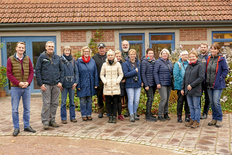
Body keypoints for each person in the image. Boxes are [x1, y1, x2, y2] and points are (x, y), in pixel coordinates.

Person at [7, 42, 36, 136]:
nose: (21, 49)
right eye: (19, 47)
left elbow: (31, 72)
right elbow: (9, 74)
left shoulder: (27, 59)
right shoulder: (10, 59)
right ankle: (16, 128)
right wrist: (18, 83)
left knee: (27, 108)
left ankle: (26, 126)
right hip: (16, 88)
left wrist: (28, 82)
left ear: (24, 49)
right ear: (16, 48)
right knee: (15, 109)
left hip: (26, 87)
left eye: (22, 48)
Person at [35, 41, 64, 130]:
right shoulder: (42, 57)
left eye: (52, 46)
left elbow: (62, 70)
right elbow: (37, 70)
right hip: (46, 85)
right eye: (49, 46)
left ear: (54, 48)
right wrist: (40, 84)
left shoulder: (57, 58)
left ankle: (52, 120)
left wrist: (60, 82)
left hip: (56, 85)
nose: (51, 48)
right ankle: (45, 122)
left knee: (54, 103)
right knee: (46, 104)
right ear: (46, 47)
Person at [206, 43, 228, 127]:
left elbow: (225, 70)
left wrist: (220, 78)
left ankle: (219, 119)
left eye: (215, 49)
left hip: (217, 85)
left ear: (218, 50)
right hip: (209, 84)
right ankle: (214, 119)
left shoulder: (221, 59)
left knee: (216, 102)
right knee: (212, 102)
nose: (213, 50)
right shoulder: (208, 58)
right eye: (212, 49)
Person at [181, 50, 204, 128]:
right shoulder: (188, 66)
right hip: (188, 90)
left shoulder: (200, 66)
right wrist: (182, 88)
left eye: (193, 56)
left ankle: (196, 121)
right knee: (190, 106)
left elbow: (201, 77)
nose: (192, 58)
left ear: (196, 57)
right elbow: (184, 78)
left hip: (196, 90)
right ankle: (192, 120)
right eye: (190, 57)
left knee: (196, 106)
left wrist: (192, 85)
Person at [100, 50, 123, 123]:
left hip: (115, 86)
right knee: (108, 103)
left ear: (114, 56)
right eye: (109, 55)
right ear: (107, 56)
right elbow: (101, 75)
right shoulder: (104, 65)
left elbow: (121, 74)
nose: (110, 57)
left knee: (115, 102)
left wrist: (117, 81)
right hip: (107, 87)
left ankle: (114, 116)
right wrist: (105, 82)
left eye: (111, 55)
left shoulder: (118, 64)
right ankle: (110, 116)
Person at [76, 46, 99, 121]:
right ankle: (83, 115)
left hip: (90, 84)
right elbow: (77, 74)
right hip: (82, 84)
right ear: (83, 52)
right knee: (82, 101)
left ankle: (89, 114)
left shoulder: (92, 61)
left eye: (88, 51)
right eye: (85, 51)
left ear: (90, 53)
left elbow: (95, 73)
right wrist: (78, 85)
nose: (86, 53)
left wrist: (96, 84)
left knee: (89, 100)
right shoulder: (79, 62)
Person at [60, 45, 79, 124]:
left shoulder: (73, 61)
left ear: (70, 51)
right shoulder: (60, 60)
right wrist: (60, 83)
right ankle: (63, 118)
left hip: (72, 84)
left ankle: (73, 117)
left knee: (72, 102)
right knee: (63, 102)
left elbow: (76, 72)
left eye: (68, 50)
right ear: (63, 51)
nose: (67, 52)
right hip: (63, 84)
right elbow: (58, 72)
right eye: (66, 50)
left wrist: (76, 82)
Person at [122, 49, 142, 122]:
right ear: (129, 55)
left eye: (134, 54)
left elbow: (140, 73)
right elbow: (126, 74)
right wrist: (134, 71)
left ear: (135, 55)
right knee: (131, 100)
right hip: (129, 84)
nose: (132, 55)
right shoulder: (126, 63)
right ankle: (131, 115)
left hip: (137, 84)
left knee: (136, 100)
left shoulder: (138, 63)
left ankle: (135, 113)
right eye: (131, 54)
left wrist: (141, 81)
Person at [154, 49, 173, 121]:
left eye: (166, 53)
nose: (165, 55)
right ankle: (159, 115)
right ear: (161, 55)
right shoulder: (158, 62)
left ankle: (166, 114)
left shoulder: (170, 62)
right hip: (161, 83)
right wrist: (157, 83)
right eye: (163, 53)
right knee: (164, 98)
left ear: (168, 55)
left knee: (167, 99)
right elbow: (155, 73)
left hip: (169, 83)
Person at [173, 50, 190, 123]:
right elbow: (176, 76)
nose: (185, 56)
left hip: (188, 87)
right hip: (180, 86)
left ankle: (187, 116)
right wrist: (183, 84)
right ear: (181, 56)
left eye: (186, 55)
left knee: (188, 102)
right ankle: (179, 116)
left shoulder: (190, 63)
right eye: (184, 55)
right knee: (180, 102)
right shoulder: (177, 64)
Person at [141, 48, 157, 122]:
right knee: (150, 99)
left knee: (151, 99)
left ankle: (149, 114)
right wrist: (146, 84)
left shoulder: (154, 61)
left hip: (153, 84)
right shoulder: (144, 62)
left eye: (152, 53)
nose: (151, 54)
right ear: (147, 54)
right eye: (149, 53)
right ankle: (147, 116)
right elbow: (143, 74)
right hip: (148, 84)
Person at [92, 43, 107, 118]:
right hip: (98, 80)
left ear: (105, 48)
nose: (101, 49)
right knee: (99, 96)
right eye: (100, 48)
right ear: (98, 49)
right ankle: (100, 111)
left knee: (108, 95)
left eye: (102, 48)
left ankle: (108, 110)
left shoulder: (109, 56)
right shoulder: (94, 57)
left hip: (107, 80)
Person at [198, 43, 210, 119]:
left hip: (208, 80)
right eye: (202, 47)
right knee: (198, 96)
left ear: (207, 48)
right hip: (199, 80)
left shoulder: (210, 57)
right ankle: (198, 113)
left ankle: (205, 113)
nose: (203, 48)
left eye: (204, 47)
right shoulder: (198, 57)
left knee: (207, 98)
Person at [115, 50, 126, 121]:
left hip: (121, 84)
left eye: (119, 56)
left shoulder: (123, 64)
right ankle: (113, 114)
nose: (118, 58)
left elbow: (124, 72)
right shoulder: (113, 64)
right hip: (114, 83)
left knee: (119, 99)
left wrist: (124, 78)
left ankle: (119, 114)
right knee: (114, 100)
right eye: (117, 56)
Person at [121, 40, 130, 117]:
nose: (125, 46)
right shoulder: (119, 54)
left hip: (129, 78)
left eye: (126, 45)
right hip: (121, 78)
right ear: (121, 46)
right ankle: (119, 112)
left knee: (128, 95)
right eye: (124, 45)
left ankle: (129, 110)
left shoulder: (131, 54)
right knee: (121, 95)